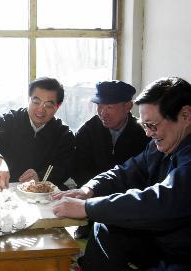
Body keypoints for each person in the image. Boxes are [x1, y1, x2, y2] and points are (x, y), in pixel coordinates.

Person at [53, 77, 191, 270]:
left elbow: (163, 201)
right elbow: (125, 171)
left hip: (183, 253)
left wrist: (88, 207)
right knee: (104, 226)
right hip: (160, 239)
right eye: (144, 125)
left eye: (152, 125)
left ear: (186, 115)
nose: (148, 133)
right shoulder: (157, 145)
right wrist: (89, 190)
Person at [72, 80, 150, 239]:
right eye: (100, 107)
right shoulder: (88, 130)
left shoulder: (143, 133)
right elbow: (79, 168)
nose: (103, 113)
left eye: (109, 107)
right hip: (91, 200)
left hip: (127, 204)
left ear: (128, 106)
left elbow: (143, 175)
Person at [0, 77, 75, 190]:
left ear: (58, 106)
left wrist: (40, 176)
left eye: (48, 105)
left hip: (40, 194)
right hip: (3, 188)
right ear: (29, 99)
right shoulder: (9, 120)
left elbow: (65, 167)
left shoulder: (63, 134)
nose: (40, 110)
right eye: (36, 102)